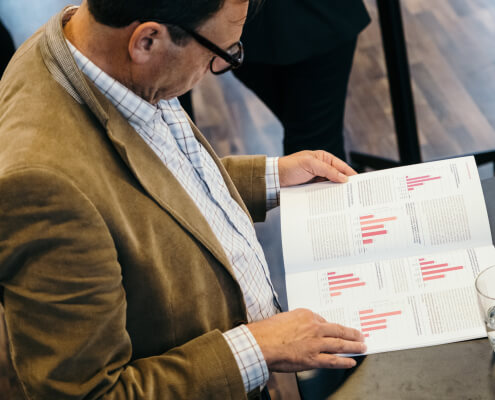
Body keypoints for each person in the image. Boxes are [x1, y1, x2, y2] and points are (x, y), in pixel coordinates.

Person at [0, 1, 366, 399]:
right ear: (147, 41)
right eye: (219, 54)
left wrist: (270, 177)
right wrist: (258, 347)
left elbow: (152, 183)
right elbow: (89, 393)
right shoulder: (43, 187)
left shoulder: (86, 41)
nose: (220, 66)